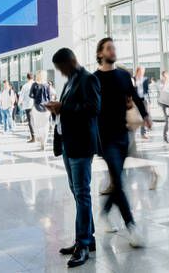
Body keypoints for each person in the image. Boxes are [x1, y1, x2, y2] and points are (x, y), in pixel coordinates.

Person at [46, 47, 101, 268]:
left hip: (81, 145)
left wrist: (63, 107)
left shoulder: (88, 79)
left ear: (71, 61)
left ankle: (83, 244)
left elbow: (93, 108)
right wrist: (56, 110)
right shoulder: (70, 82)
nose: (60, 73)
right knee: (78, 193)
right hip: (69, 143)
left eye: (61, 68)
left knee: (82, 193)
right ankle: (88, 237)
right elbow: (69, 109)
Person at [94, 37, 150, 247]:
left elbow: (135, 96)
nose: (112, 51)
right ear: (100, 54)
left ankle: (105, 213)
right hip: (104, 138)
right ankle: (131, 227)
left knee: (117, 179)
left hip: (122, 135)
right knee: (118, 181)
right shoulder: (95, 79)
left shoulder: (123, 76)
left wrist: (145, 116)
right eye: (109, 48)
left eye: (113, 48)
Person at [29, 70, 52, 150]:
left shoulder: (34, 84)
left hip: (37, 107)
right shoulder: (47, 85)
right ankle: (44, 142)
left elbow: (30, 95)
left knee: (37, 124)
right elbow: (49, 97)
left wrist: (35, 96)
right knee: (46, 125)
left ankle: (40, 138)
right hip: (46, 108)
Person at [133, 67, 150, 140]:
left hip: (144, 99)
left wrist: (149, 100)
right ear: (137, 71)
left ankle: (143, 133)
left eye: (143, 71)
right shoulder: (133, 79)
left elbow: (147, 90)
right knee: (135, 117)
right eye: (141, 71)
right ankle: (133, 132)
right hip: (136, 100)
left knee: (144, 117)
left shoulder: (145, 79)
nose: (142, 73)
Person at [19, 73, 35, 142]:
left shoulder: (25, 86)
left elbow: (21, 96)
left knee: (30, 121)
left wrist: (19, 103)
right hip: (37, 105)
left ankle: (33, 137)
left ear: (27, 78)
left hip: (28, 106)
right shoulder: (36, 84)